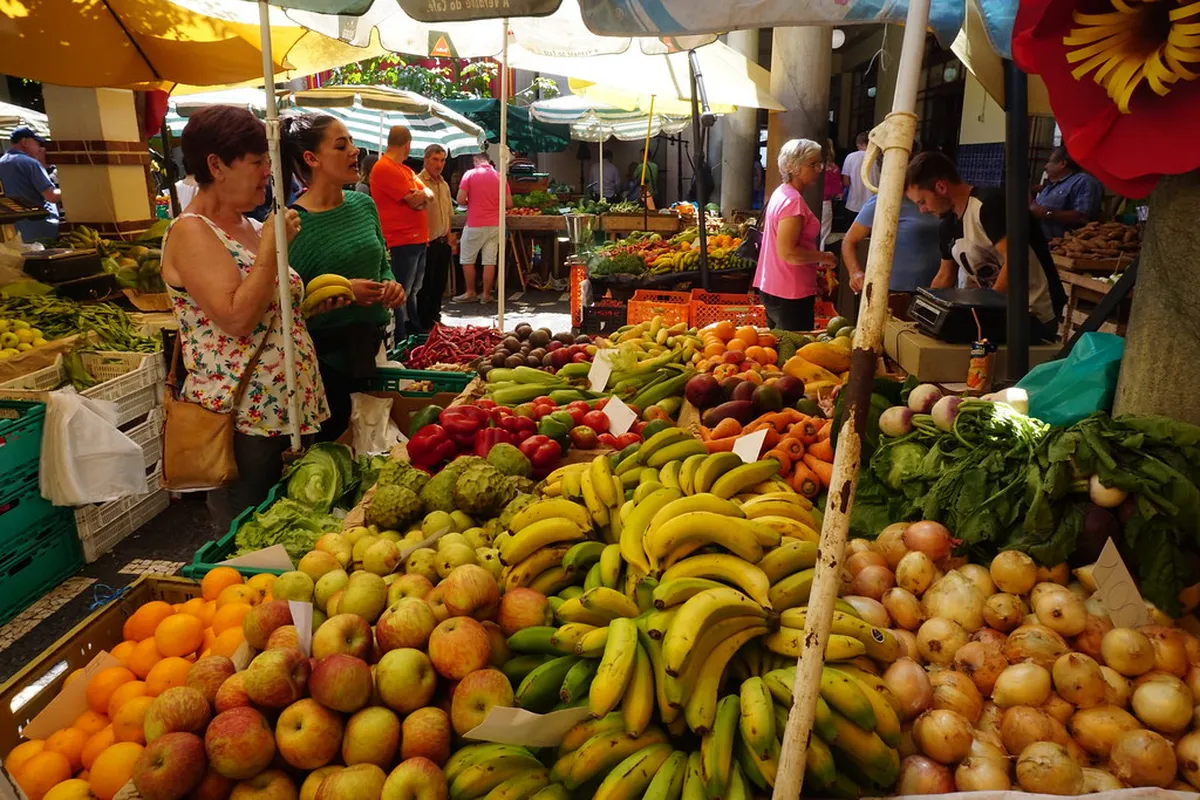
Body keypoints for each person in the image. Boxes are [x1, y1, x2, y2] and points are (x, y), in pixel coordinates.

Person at [160, 105, 342, 530]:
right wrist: (272, 248)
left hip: (291, 408)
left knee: (297, 531)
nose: (267, 173)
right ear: (216, 165)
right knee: (250, 538)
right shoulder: (191, 232)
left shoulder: (252, 225)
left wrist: (309, 306)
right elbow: (237, 318)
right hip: (245, 420)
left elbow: (268, 312)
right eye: (258, 161)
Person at [280, 113, 406, 443]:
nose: (354, 151)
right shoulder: (292, 225)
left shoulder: (364, 205)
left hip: (373, 350)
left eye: (351, 141)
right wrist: (342, 294)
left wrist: (390, 285)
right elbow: (288, 306)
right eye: (341, 145)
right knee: (337, 448)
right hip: (324, 367)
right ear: (311, 158)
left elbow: (383, 264)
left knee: (376, 441)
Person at [904, 151, 1066, 343]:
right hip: (998, 314)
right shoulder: (948, 226)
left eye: (922, 202)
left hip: (1034, 311)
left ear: (940, 187)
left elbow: (1015, 260)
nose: (923, 210)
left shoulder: (990, 205)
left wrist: (987, 308)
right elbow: (944, 276)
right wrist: (924, 314)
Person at [753, 139, 838, 331]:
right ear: (794, 167)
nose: (819, 168)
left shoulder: (782, 193)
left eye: (819, 163)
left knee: (781, 347)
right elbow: (789, 252)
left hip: (774, 285)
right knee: (793, 354)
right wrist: (824, 257)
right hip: (790, 290)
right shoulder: (792, 202)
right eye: (813, 164)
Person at [371, 126, 432, 333]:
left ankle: (412, 328)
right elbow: (415, 201)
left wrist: (421, 197)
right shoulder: (385, 168)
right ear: (407, 144)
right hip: (401, 239)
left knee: (413, 289)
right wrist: (420, 198)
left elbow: (428, 194)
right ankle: (401, 335)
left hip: (417, 239)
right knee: (401, 292)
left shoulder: (406, 170)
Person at [842, 194, 942, 293]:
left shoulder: (940, 199)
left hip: (939, 286)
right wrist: (855, 272)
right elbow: (849, 240)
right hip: (895, 289)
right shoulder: (883, 201)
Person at [454, 150, 512, 304]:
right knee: (489, 260)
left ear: (475, 160)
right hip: (495, 225)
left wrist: (471, 201)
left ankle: (470, 291)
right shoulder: (500, 176)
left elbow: (460, 199)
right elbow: (509, 204)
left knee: (467, 259)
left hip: (475, 223)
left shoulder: (470, 174)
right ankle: (486, 294)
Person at [1031, 146, 1104, 241]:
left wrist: (1047, 213)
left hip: (1064, 245)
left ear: (1062, 164)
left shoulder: (1083, 181)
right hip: (1041, 241)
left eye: (1049, 162)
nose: (1046, 166)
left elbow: (1082, 217)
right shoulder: (1052, 185)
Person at [418, 144, 455, 329]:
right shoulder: (418, 182)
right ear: (426, 160)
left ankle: (436, 318)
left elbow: (448, 213)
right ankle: (425, 323)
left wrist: (450, 237)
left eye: (442, 160)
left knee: (439, 284)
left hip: (442, 241)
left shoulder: (444, 184)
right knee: (426, 286)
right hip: (426, 243)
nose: (439, 164)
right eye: (435, 159)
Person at [0, 127, 60, 242]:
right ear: (25, 142)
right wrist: (71, 190)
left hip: (13, 232)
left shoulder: (2, 162)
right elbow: (51, 196)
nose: (39, 148)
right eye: (37, 143)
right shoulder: (30, 163)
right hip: (42, 228)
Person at [841, 131, 879, 215]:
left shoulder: (850, 157)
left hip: (853, 203)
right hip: (873, 203)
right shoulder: (878, 158)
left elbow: (846, 182)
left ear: (858, 144)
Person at [820, 139, 842, 248]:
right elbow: (837, 193)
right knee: (823, 236)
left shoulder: (812, 167)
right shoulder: (833, 168)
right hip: (826, 203)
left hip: (806, 202)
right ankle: (820, 262)